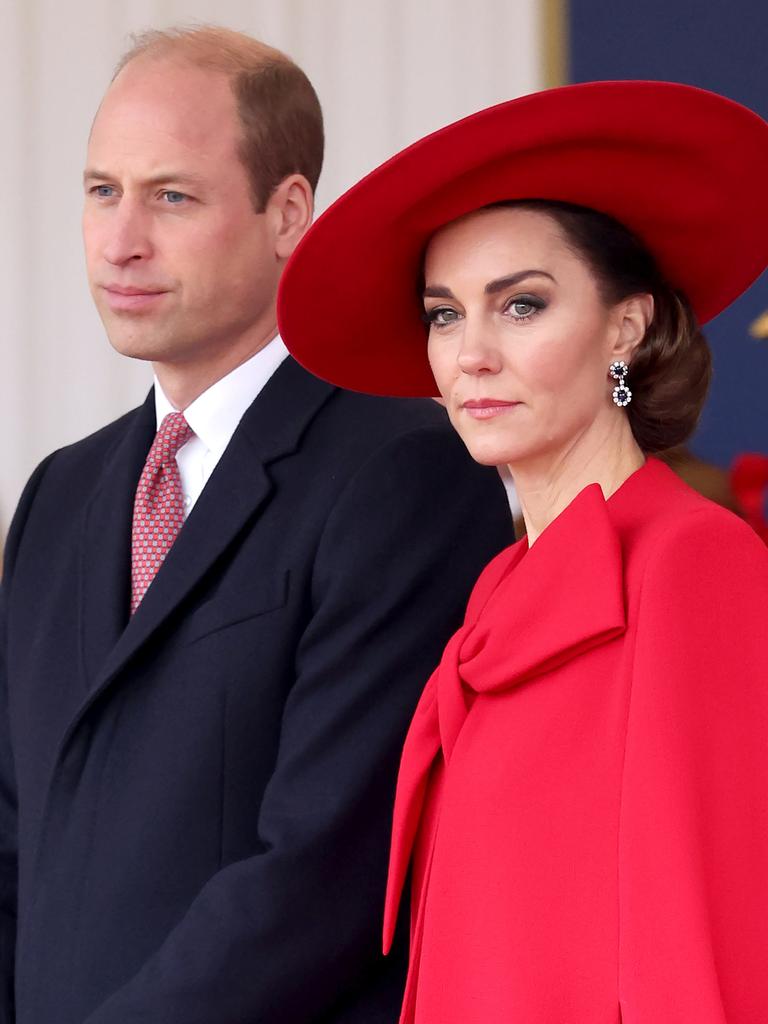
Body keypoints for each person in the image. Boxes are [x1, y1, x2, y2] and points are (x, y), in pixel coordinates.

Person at [0, 26, 515, 1024]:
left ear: (288, 215)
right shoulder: (60, 495)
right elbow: (13, 839)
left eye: (171, 196)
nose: (120, 240)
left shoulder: (404, 468)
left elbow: (328, 871)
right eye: (102, 191)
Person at [277, 81, 768, 1023]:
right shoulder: (503, 584)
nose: (471, 355)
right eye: (445, 314)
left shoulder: (695, 563)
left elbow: (706, 945)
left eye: (522, 306)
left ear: (625, 325)